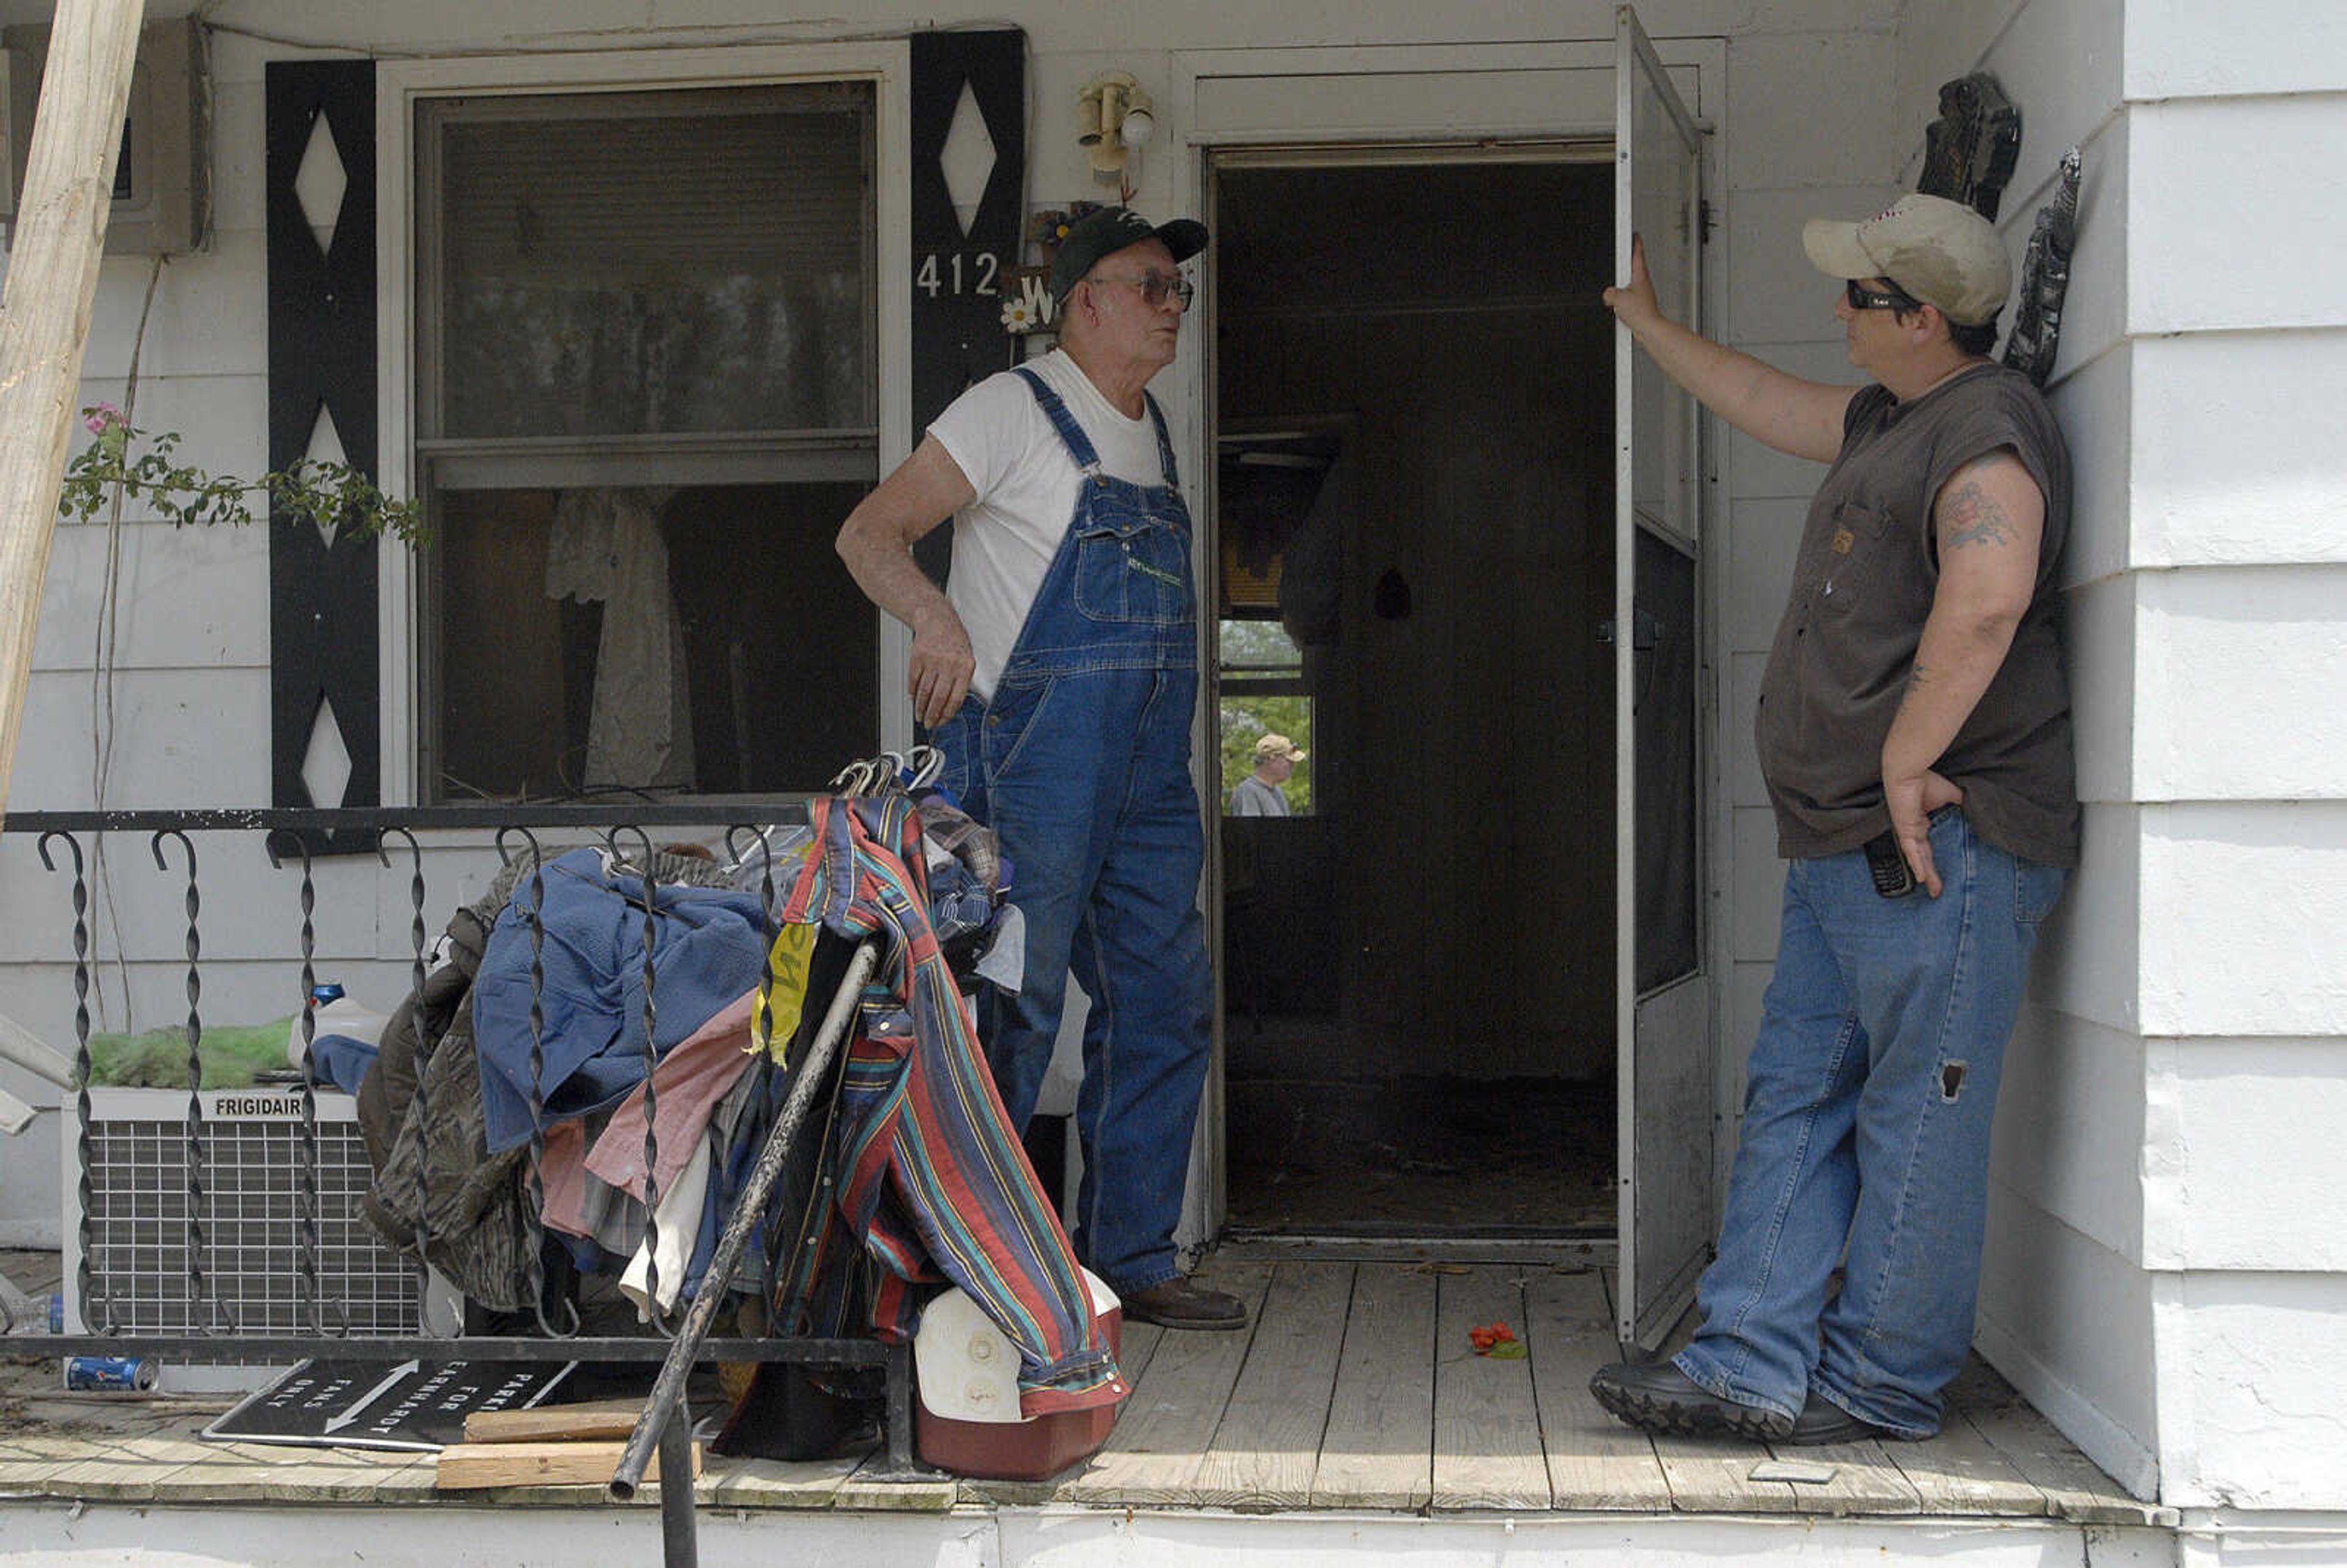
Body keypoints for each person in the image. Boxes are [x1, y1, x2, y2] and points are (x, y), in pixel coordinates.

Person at [1588, 193, 2077, 1444]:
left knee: (1915, 1110)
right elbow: (1761, 400)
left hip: (1932, 848)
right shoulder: (1890, 418)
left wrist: (1909, 753)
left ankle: (1881, 1383)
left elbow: (1987, 593)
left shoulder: (1988, 427)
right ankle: (1748, 1360)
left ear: (1920, 317)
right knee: (1799, 1093)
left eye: (1859, 298)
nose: (1837, 313)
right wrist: (1647, 324)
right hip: (1841, 844)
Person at [834, 207, 1244, 1332]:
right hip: (1029, 763)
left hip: (1148, 776)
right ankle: (978, 1276)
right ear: (1086, 300)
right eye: (1152, 283)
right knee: (1012, 1006)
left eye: (1179, 290)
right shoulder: (1011, 409)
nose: (1172, 304)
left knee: (1163, 999)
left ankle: (1132, 1254)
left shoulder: (1153, 432)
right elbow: (869, 533)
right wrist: (935, 621)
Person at [1229, 733, 1305, 817]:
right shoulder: (1247, 793)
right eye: (1288, 761)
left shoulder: (1278, 791)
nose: (1293, 765)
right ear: (1270, 759)